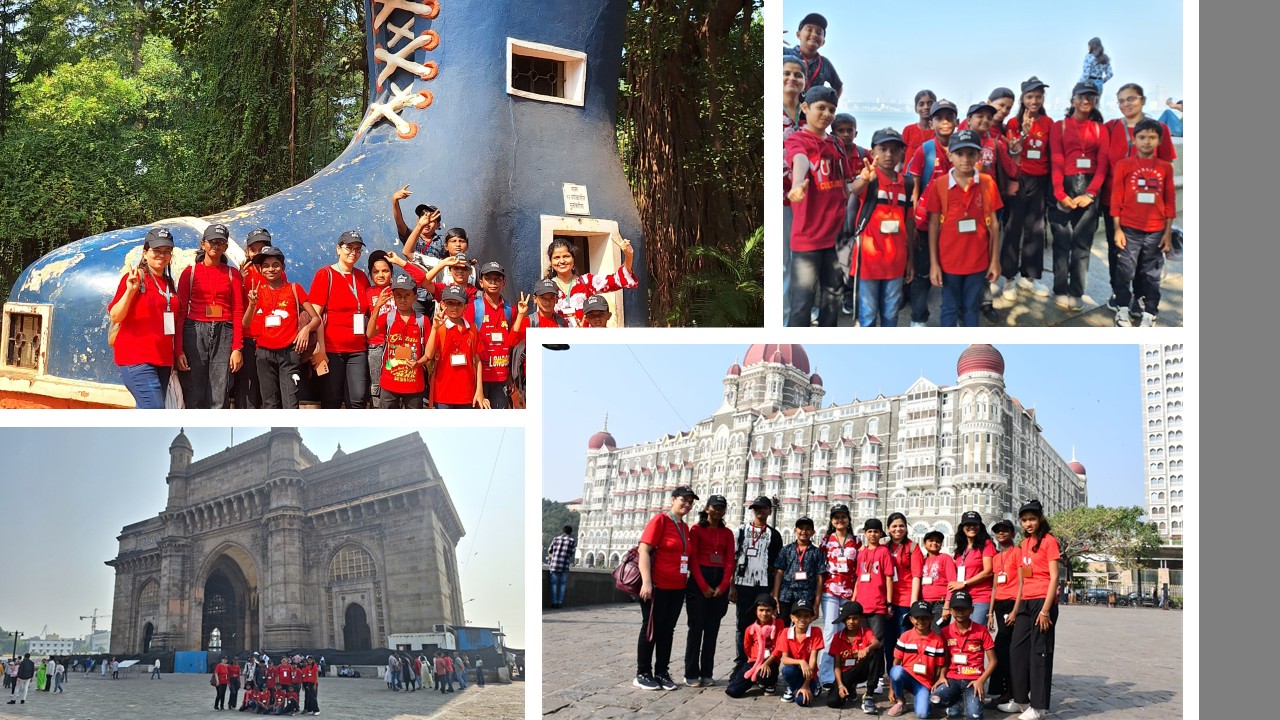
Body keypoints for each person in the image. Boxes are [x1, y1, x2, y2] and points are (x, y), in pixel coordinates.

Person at [1102, 83, 1178, 317]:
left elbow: (1167, 167)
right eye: (1122, 100)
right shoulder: (1111, 126)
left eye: (1131, 99)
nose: (1127, 104)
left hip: (1147, 208)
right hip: (1113, 201)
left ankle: (1141, 297)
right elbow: (1102, 159)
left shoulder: (1160, 128)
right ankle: (1120, 294)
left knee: (1146, 258)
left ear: (1143, 100)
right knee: (1119, 251)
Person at [927, 129, 1003, 327]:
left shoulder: (987, 183)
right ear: (949, 155)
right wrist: (934, 264)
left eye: (971, 153)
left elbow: (994, 224)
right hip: (949, 261)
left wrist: (995, 260)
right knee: (949, 307)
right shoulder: (940, 184)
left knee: (971, 308)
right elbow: (934, 225)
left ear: (979, 155)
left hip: (978, 261)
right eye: (959, 153)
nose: (965, 159)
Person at [785, 84, 847, 327]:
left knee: (833, 299)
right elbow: (799, 159)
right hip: (808, 239)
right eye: (821, 108)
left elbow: (846, 185)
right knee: (802, 304)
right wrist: (798, 182)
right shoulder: (798, 139)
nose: (827, 114)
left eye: (832, 110)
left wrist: (866, 179)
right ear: (805, 108)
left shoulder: (836, 144)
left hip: (837, 238)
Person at [1048, 83, 1111, 311]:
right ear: (1072, 99)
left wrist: (1091, 194)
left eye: (1091, 97)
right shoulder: (1060, 127)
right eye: (1082, 96)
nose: (1086, 101)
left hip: (1090, 187)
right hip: (1063, 186)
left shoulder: (1100, 129)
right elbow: (1056, 159)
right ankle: (1059, 288)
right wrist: (1060, 194)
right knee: (1062, 243)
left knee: (1082, 246)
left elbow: (1103, 163)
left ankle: (1077, 291)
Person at [999, 500, 1060, 720]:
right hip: (1025, 602)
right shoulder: (1023, 544)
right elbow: (1023, 581)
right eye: (1024, 520)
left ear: (1040, 518)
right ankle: (1020, 700)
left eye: (1032, 519)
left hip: (1043, 602)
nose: (1028, 523)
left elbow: (1054, 577)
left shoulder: (1049, 541)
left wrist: (1045, 610)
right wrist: (1016, 609)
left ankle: (1039, 707)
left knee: (1039, 654)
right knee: (1016, 651)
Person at [633, 485, 696, 691]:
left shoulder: (685, 527)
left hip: (677, 588)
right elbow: (644, 551)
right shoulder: (660, 520)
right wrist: (647, 582)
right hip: (657, 586)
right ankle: (643, 672)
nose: (687, 504)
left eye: (690, 501)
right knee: (651, 629)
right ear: (673, 500)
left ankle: (662, 671)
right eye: (683, 500)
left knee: (667, 630)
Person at [108, 227, 180, 408]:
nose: (161, 255)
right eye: (156, 251)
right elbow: (116, 315)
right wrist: (130, 292)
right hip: (137, 359)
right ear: (145, 253)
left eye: (166, 252)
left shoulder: (169, 283)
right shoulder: (134, 278)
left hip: (163, 360)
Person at [849, 128, 914, 327]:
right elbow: (855, 189)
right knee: (867, 315)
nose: (888, 154)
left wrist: (910, 261)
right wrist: (865, 178)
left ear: (901, 153)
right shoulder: (870, 179)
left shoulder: (907, 183)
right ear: (872, 152)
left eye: (894, 150)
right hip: (869, 261)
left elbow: (909, 222)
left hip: (895, 262)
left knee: (891, 314)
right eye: (883, 149)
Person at [176, 223, 244, 408]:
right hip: (195, 330)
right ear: (203, 244)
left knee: (219, 390)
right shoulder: (190, 273)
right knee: (194, 389)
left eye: (221, 242)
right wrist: (179, 349)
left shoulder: (233, 274)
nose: (216, 245)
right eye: (212, 241)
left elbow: (238, 311)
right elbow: (181, 312)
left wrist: (237, 348)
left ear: (226, 247)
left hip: (224, 331)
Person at [244, 246, 321, 408]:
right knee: (269, 403)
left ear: (283, 267)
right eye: (265, 265)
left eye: (275, 264)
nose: (271, 269)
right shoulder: (257, 292)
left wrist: (306, 330)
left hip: (289, 354)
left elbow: (315, 318)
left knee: (290, 402)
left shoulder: (294, 288)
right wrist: (251, 305)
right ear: (260, 269)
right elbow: (245, 323)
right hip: (264, 354)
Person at [907, 99, 961, 327]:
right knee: (922, 274)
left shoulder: (964, 150)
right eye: (939, 118)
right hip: (927, 223)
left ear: (957, 122)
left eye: (950, 117)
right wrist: (912, 220)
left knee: (956, 274)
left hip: (956, 225)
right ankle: (919, 318)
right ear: (932, 122)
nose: (945, 122)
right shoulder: (925, 150)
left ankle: (953, 318)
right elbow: (914, 187)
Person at [1001, 77, 1054, 301]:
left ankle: (1029, 276)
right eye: (1030, 96)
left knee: (1036, 230)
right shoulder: (1013, 123)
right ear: (1023, 98)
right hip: (1019, 180)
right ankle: (1009, 278)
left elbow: (1051, 154)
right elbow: (1013, 153)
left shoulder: (1049, 122)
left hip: (1039, 182)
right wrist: (1023, 132)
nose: (1034, 100)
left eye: (1038, 96)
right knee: (1013, 229)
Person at [308, 230, 372, 408]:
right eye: (349, 248)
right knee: (332, 399)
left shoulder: (360, 276)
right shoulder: (325, 274)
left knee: (358, 399)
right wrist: (320, 349)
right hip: (332, 349)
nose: (353, 252)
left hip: (358, 349)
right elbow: (315, 316)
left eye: (358, 249)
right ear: (338, 249)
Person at [684, 494, 734, 687]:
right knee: (696, 629)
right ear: (707, 509)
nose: (718, 511)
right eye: (715, 507)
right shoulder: (696, 530)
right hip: (700, 580)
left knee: (712, 631)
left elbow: (730, 561)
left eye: (722, 508)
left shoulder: (727, 533)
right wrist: (703, 586)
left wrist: (723, 586)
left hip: (719, 580)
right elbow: (692, 559)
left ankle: (707, 672)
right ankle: (691, 673)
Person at [365, 249, 427, 404]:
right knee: (379, 388)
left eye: (385, 270)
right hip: (376, 347)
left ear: (391, 273)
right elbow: (365, 325)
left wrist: (399, 261)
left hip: (401, 345)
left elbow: (421, 278)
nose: (380, 275)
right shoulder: (367, 291)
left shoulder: (400, 288)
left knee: (401, 384)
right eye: (376, 271)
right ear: (370, 274)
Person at [730, 496, 784, 668]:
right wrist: (731, 585)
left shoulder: (773, 535)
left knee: (764, 623)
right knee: (742, 625)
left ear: (770, 511)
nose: (760, 511)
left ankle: (761, 659)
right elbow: (732, 559)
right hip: (743, 583)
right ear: (753, 510)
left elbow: (777, 568)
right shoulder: (741, 531)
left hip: (763, 584)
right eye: (757, 508)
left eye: (764, 508)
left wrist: (775, 593)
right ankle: (741, 663)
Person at [543, 234, 638, 327]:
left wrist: (629, 256)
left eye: (566, 256)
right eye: (556, 257)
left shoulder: (587, 282)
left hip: (586, 339)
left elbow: (617, 279)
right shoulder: (546, 287)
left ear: (573, 259)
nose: (562, 261)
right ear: (551, 262)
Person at [933, 590, 996, 719]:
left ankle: (970, 701)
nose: (960, 612)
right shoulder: (945, 632)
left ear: (972, 610)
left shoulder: (982, 631)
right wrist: (942, 676)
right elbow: (945, 659)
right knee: (935, 699)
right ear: (950, 610)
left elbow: (993, 661)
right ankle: (956, 699)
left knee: (973, 717)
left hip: (974, 680)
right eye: (956, 609)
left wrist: (981, 681)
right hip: (952, 678)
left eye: (964, 608)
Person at [473, 262, 528, 408]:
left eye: (497, 279)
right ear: (480, 282)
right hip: (478, 377)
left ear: (504, 282)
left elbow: (512, 342)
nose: (493, 283)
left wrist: (521, 315)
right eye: (488, 279)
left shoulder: (511, 310)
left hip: (501, 376)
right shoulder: (474, 307)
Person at [816, 504, 858, 690]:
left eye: (843, 517)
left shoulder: (856, 541)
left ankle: (846, 670)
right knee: (830, 631)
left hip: (849, 592)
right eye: (836, 517)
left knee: (846, 632)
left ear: (849, 519)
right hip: (830, 591)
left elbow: (859, 568)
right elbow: (819, 568)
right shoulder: (826, 541)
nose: (839, 520)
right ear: (831, 521)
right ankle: (825, 674)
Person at [424, 285, 487, 408]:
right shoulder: (439, 327)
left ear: (465, 306)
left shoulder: (472, 328)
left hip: (466, 394)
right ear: (442, 305)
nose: (454, 307)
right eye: (450, 303)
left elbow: (477, 361)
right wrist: (434, 328)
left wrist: (479, 390)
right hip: (442, 393)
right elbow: (428, 355)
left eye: (458, 304)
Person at [851, 517, 894, 697]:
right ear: (865, 534)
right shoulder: (861, 553)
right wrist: (853, 602)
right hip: (862, 604)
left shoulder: (884, 552)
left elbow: (889, 577)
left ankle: (876, 679)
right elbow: (858, 579)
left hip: (877, 604)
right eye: (869, 531)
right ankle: (865, 676)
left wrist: (889, 603)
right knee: (862, 643)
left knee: (877, 644)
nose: (873, 534)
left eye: (876, 531)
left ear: (881, 534)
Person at [234, 227, 275, 409]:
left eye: (262, 248)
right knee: (248, 391)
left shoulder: (276, 271)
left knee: (269, 391)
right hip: (248, 339)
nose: (258, 253)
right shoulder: (240, 273)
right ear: (247, 251)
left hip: (271, 340)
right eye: (253, 249)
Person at [782, 52, 808, 325]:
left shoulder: (807, 117)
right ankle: (784, 319)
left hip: (806, 203)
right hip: (781, 201)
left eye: (798, 74)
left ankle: (794, 317)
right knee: (782, 265)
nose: (792, 78)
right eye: (786, 73)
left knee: (799, 263)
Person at [886, 602, 946, 718]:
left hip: (924, 682)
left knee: (923, 714)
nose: (921, 621)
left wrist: (932, 687)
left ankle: (924, 699)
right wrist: (891, 688)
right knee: (896, 671)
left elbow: (938, 667)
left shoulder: (937, 640)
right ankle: (901, 701)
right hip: (907, 676)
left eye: (925, 618)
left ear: (932, 618)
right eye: (917, 618)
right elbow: (896, 662)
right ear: (911, 619)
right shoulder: (905, 636)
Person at [826, 601, 882, 713]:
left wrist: (867, 649)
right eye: (848, 618)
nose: (851, 622)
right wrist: (841, 685)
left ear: (861, 618)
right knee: (833, 702)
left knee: (876, 651)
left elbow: (876, 642)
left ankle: (869, 694)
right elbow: (836, 665)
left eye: (855, 618)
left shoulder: (866, 632)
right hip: (846, 673)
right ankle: (850, 688)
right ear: (844, 620)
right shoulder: (837, 637)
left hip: (862, 670)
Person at [724, 594, 784, 698]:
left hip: (771, 661)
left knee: (763, 674)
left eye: (768, 610)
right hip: (754, 662)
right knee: (732, 690)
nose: (764, 613)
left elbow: (779, 647)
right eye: (761, 610)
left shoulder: (779, 624)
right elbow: (747, 647)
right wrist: (756, 658)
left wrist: (766, 663)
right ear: (756, 611)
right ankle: (756, 678)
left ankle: (768, 683)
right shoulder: (750, 629)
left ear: (773, 611)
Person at [987, 520, 1019, 709]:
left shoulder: (1018, 553)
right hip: (999, 605)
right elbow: (994, 586)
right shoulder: (996, 557)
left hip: (1013, 604)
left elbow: (1023, 582)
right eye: (997, 531)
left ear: (1012, 533)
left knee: (1006, 648)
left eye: (1005, 531)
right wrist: (990, 612)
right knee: (1002, 649)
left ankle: (1012, 692)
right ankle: (1004, 691)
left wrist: (1015, 610)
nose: (1001, 534)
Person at [772, 515, 826, 624]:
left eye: (807, 529)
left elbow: (819, 578)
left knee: (802, 628)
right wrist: (775, 596)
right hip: (786, 595)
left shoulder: (817, 553)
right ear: (795, 530)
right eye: (801, 528)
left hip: (806, 595)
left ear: (813, 532)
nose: (804, 531)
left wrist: (816, 604)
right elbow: (779, 574)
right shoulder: (786, 550)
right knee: (782, 627)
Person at [951, 511, 996, 625]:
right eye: (968, 525)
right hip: (962, 598)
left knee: (975, 636)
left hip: (980, 597)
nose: (971, 527)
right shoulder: (960, 550)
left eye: (975, 524)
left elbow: (988, 571)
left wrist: (964, 583)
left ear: (980, 527)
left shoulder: (987, 544)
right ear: (962, 528)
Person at [777, 598, 824, 706]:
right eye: (798, 616)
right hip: (795, 669)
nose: (802, 619)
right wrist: (802, 662)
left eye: (806, 616)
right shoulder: (785, 632)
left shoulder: (816, 632)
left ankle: (813, 684)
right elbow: (784, 659)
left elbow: (813, 659)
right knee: (787, 671)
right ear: (792, 618)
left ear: (812, 618)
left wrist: (806, 685)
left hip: (809, 673)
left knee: (802, 702)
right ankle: (792, 687)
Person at [785, 13, 842, 97]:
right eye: (809, 29)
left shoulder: (825, 63)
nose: (814, 34)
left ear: (823, 42)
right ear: (798, 34)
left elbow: (838, 86)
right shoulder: (785, 53)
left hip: (810, 109)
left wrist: (831, 102)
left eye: (819, 33)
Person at [902, 90, 938, 168]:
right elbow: (901, 157)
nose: (926, 107)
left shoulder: (939, 131)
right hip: (909, 177)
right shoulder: (908, 130)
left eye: (930, 104)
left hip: (932, 177)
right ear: (916, 109)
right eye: (921, 104)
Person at [546, 524, 577, 609]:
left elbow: (550, 550)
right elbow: (571, 553)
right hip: (564, 565)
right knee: (562, 584)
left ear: (563, 531)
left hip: (554, 565)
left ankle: (554, 603)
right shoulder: (571, 541)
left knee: (554, 584)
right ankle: (559, 603)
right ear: (570, 532)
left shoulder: (555, 539)